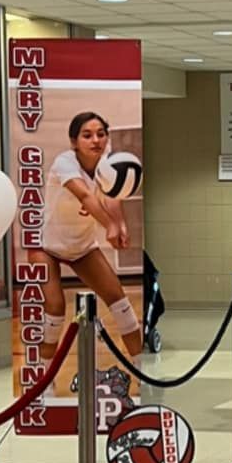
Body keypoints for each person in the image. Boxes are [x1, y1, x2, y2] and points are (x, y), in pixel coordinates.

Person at [40, 112, 142, 362]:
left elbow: (112, 197)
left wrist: (120, 224)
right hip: (46, 246)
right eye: (87, 135)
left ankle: (144, 370)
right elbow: (86, 196)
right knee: (54, 310)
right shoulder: (65, 162)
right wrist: (109, 225)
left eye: (101, 134)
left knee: (121, 305)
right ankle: (43, 382)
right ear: (74, 141)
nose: (95, 140)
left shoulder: (110, 165)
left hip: (82, 246)